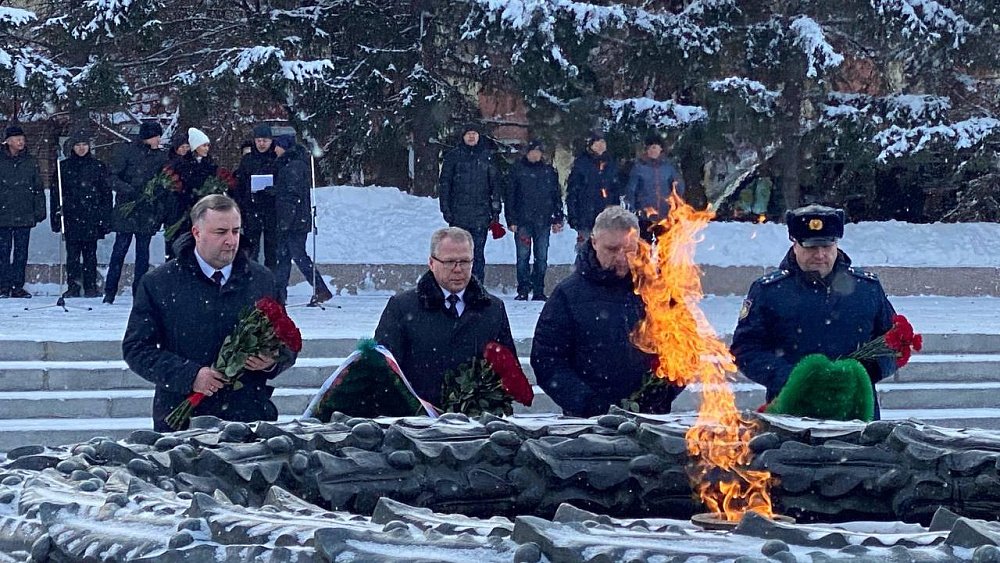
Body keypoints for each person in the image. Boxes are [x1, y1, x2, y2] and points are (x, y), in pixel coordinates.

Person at [122, 194, 296, 432]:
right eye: (220, 232)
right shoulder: (159, 283)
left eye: (235, 231)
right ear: (197, 233)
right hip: (182, 419)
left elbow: (287, 342)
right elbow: (136, 349)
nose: (231, 240)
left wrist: (271, 361)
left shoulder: (262, 279)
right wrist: (190, 375)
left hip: (248, 417)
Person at [730, 204, 898, 419]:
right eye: (810, 247)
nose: (820, 255)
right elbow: (746, 349)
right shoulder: (769, 291)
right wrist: (793, 377)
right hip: (792, 407)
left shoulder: (866, 288)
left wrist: (864, 372)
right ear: (795, 245)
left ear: (836, 244)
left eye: (827, 246)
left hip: (855, 408)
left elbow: (894, 342)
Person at [531, 206, 683, 417]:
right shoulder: (568, 295)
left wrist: (659, 392)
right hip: (588, 422)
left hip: (651, 416)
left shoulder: (660, 291)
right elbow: (547, 359)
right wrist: (589, 403)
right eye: (612, 249)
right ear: (594, 243)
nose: (621, 258)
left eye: (629, 250)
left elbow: (684, 350)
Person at [374, 227, 516, 408]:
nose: (458, 270)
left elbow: (508, 372)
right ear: (431, 263)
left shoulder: (492, 309)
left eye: (465, 262)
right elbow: (384, 369)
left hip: (475, 425)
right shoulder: (402, 307)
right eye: (449, 262)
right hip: (417, 422)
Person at [104, 121, 168, 304]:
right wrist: (128, 189)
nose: (158, 140)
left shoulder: (160, 157)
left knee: (143, 253)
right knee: (120, 250)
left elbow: (163, 181)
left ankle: (139, 291)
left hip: (147, 210)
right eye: (156, 136)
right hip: (127, 208)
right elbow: (112, 176)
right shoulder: (127, 152)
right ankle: (110, 290)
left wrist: (154, 195)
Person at [437, 123, 502, 285]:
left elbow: (495, 185)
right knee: (458, 255)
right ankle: (458, 285)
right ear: (463, 136)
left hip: (481, 216)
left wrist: (495, 212)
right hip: (458, 216)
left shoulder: (487, 157)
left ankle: (477, 285)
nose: (471, 136)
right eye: (468, 134)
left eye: (474, 133)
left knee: (477, 254)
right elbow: (445, 184)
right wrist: (446, 209)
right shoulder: (453, 157)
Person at [271, 134, 332, 305]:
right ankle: (281, 294)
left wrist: (285, 220)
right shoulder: (294, 164)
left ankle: (319, 289)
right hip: (295, 220)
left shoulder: (293, 166)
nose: (274, 149)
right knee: (287, 257)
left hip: (294, 222)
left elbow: (291, 195)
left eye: (277, 145)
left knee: (295, 256)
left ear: (284, 147)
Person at [50, 133, 112, 298]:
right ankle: (73, 286)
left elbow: (106, 194)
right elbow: (56, 194)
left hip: (92, 216)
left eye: (84, 144)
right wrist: (56, 217)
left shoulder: (98, 166)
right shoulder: (63, 167)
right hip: (71, 217)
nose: (81, 148)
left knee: (90, 254)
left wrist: (106, 218)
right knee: (73, 255)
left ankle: (90, 286)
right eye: (78, 145)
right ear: (72, 147)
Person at [505, 139, 563, 301]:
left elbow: (556, 196)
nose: (536, 154)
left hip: (544, 221)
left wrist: (558, 217)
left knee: (541, 257)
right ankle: (523, 289)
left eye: (538, 151)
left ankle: (539, 289)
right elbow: (510, 196)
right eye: (533, 151)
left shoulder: (548, 171)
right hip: (523, 221)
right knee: (523, 257)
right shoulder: (517, 170)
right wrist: (511, 219)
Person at [0, 125, 46, 298]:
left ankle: (17, 285)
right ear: (8, 141)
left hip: (24, 212)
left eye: (22, 138)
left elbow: (38, 187)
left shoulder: (30, 161)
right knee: (3, 253)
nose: (21, 142)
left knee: (21, 253)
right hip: (3, 213)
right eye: (17, 139)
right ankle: (3, 286)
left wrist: (40, 209)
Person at [165, 127, 218, 260]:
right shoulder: (183, 164)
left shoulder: (209, 164)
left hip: (200, 210)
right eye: (203, 145)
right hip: (182, 210)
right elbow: (184, 185)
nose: (207, 149)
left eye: (207, 145)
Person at [234, 124, 278, 269]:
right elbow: (239, 184)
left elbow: (283, 183)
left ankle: (271, 283)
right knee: (252, 249)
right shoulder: (247, 160)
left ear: (271, 141)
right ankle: (252, 280)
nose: (261, 144)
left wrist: (273, 190)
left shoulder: (277, 159)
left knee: (272, 250)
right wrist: (242, 205)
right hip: (252, 210)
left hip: (272, 210)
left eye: (265, 140)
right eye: (258, 140)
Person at [625, 135, 685, 241]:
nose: (654, 151)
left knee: (665, 246)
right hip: (645, 215)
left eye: (656, 148)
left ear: (661, 149)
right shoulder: (639, 168)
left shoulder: (668, 167)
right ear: (647, 150)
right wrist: (633, 209)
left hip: (665, 214)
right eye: (651, 148)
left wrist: (676, 203)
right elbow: (631, 190)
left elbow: (678, 186)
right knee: (644, 246)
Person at [566, 131, 620, 249]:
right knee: (585, 250)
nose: (600, 145)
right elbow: (573, 192)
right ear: (590, 145)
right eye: (597, 143)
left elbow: (615, 190)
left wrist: (614, 210)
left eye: (602, 142)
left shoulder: (610, 164)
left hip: (606, 216)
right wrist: (573, 215)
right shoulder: (581, 164)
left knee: (605, 251)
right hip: (585, 215)